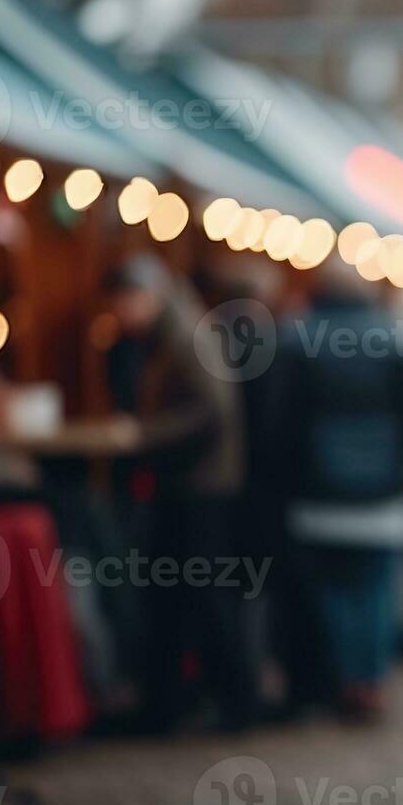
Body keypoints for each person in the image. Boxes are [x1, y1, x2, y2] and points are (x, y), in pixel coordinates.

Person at [264, 257, 403, 723]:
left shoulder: (295, 337)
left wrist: (278, 483)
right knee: (377, 587)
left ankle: (343, 677)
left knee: (330, 589)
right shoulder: (396, 337)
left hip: (316, 489)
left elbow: (278, 421)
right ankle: (370, 679)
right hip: (383, 486)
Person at [102, 255, 257, 733]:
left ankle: (230, 701)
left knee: (201, 593)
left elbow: (210, 411)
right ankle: (178, 701)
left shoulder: (186, 334)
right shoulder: (171, 333)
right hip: (192, 483)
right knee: (177, 594)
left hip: (201, 486)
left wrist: (144, 435)